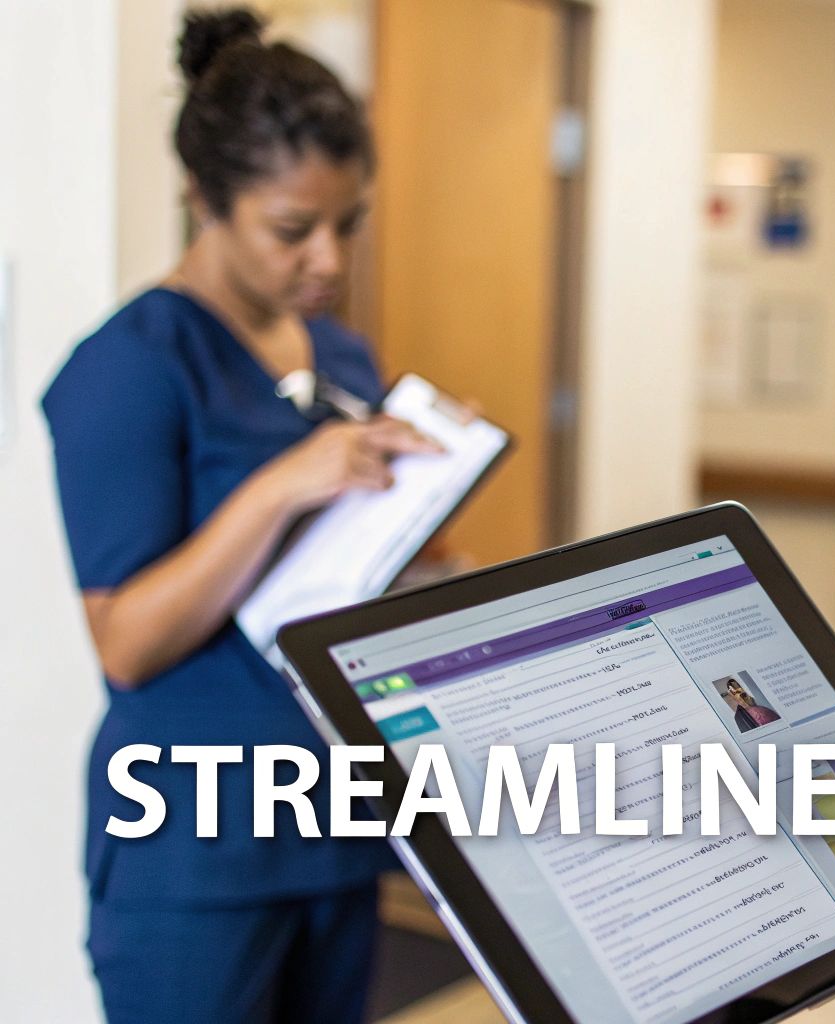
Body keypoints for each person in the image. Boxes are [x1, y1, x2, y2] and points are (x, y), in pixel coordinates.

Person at [41, 9, 438, 1020]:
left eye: (346, 224)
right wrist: (282, 485)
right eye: (291, 229)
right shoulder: (129, 367)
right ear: (205, 199)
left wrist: (428, 521)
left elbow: (340, 579)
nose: (327, 261)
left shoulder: (341, 359)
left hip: (331, 829)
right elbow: (125, 642)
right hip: (193, 855)